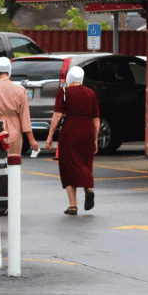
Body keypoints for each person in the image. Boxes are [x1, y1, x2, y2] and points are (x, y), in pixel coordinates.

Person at [45, 65, 99, 215]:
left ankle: (73, 206)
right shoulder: (91, 93)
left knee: (67, 166)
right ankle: (88, 188)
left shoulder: (63, 92)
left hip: (70, 130)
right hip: (88, 130)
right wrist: (95, 138)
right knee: (86, 163)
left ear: (69, 78)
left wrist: (49, 137)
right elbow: (96, 119)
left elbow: (57, 115)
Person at [0, 57, 40, 156]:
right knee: (14, 163)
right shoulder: (20, 89)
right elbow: (25, 119)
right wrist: (32, 140)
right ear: (9, 71)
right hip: (15, 129)